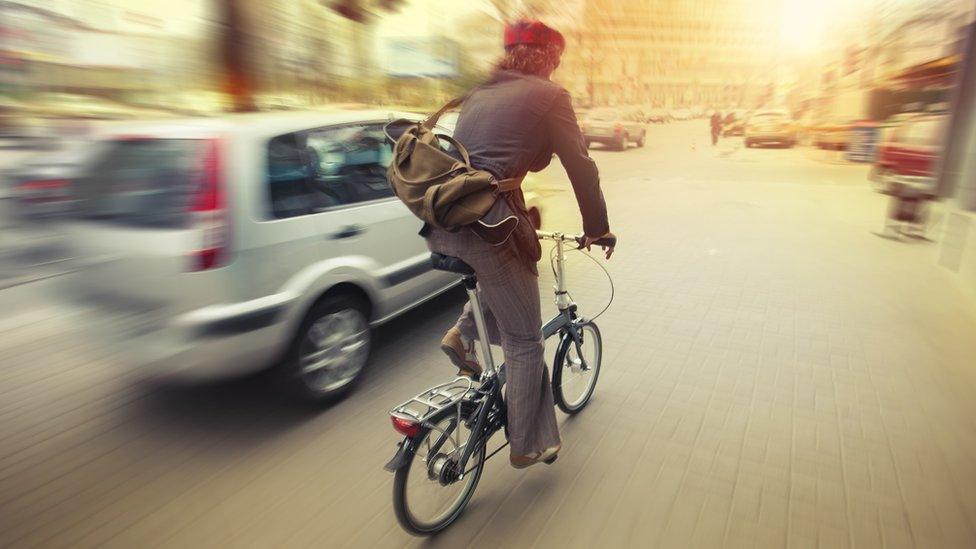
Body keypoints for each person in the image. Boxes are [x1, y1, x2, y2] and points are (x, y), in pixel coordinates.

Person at [425, 20, 615, 469]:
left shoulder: (480, 93)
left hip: (446, 221)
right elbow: (581, 167)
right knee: (526, 340)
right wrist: (597, 227)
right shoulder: (550, 96)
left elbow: (509, 152)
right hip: (491, 225)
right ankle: (529, 443)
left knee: (507, 276)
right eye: (558, 59)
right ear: (548, 57)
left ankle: (463, 333)